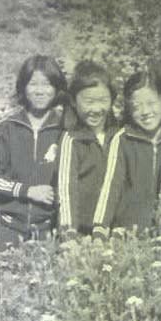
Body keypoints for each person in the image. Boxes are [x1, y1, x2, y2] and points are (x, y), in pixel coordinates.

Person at [0, 54, 66, 254]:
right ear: (23, 87)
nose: (40, 91)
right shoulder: (7, 128)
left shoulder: (65, 129)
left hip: (48, 229)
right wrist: (26, 191)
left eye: (47, 84)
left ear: (56, 88)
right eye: (33, 84)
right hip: (7, 227)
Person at [93, 67, 161, 236]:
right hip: (128, 232)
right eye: (136, 106)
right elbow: (110, 186)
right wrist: (100, 227)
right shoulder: (123, 139)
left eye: (151, 103)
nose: (145, 112)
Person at [58, 61, 119, 236]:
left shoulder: (119, 136)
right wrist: (69, 233)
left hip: (116, 230)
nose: (96, 109)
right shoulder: (72, 140)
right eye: (89, 101)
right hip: (82, 231)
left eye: (103, 100)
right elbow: (66, 189)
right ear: (73, 101)